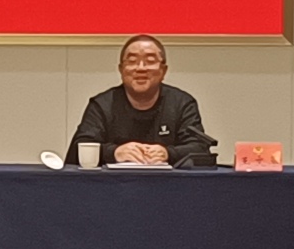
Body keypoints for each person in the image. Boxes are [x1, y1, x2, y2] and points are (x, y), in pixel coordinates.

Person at [72, 36, 214, 169]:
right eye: (132, 61)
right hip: (113, 185)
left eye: (150, 61)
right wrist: (114, 152)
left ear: (163, 70)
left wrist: (168, 153)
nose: (141, 68)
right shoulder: (102, 105)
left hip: (170, 185)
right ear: (121, 70)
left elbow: (199, 148)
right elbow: (78, 149)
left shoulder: (182, 103)